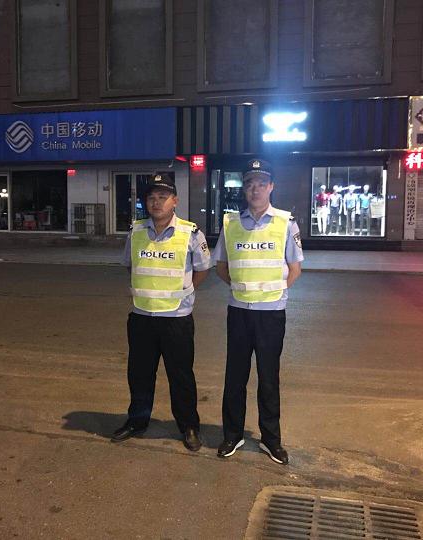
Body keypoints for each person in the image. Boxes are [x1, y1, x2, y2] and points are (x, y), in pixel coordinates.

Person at [213, 158, 304, 464]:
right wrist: (243, 288)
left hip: (271, 314)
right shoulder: (230, 224)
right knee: (234, 377)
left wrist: (273, 293)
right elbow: (221, 267)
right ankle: (232, 435)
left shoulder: (286, 223)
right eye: (250, 184)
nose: (255, 189)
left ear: (271, 187)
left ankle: (271, 439)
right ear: (244, 188)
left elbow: (295, 269)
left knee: (268, 378)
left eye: (261, 183)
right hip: (239, 312)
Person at [111, 173, 210, 452]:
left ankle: (189, 426)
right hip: (142, 316)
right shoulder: (136, 231)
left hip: (176, 319)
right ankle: (137, 421)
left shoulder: (191, 233)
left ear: (174, 201)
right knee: (139, 374)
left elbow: (203, 269)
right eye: (152, 197)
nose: (156, 202)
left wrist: (185, 292)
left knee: (181, 376)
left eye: (163, 197)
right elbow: (130, 266)